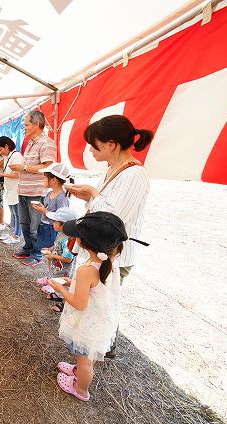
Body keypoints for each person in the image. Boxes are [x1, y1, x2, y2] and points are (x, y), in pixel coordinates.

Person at [64, 114, 153, 357]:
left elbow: (113, 218)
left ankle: (102, 347)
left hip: (114, 254)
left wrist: (92, 193)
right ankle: (95, 346)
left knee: (103, 304)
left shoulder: (134, 175)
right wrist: (90, 196)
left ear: (112, 144)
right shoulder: (117, 168)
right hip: (103, 251)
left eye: (95, 145)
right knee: (97, 301)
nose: (91, 151)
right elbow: (106, 207)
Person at [48, 211, 128, 402]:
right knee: (87, 355)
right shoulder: (110, 261)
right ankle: (80, 369)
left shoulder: (87, 269)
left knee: (84, 359)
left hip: (86, 322)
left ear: (85, 243)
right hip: (100, 320)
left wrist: (60, 288)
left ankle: (81, 388)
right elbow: (95, 287)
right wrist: (72, 282)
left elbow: (78, 303)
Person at [11, 110, 57, 263]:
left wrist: (23, 168)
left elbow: (48, 167)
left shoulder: (46, 142)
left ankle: (37, 255)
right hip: (24, 190)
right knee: (25, 223)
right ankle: (28, 249)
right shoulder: (30, 142)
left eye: (26, 124)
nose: (24, 127)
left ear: (37, 124)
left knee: (35, 226)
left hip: (37, 191)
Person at [27, 163, 73, 266]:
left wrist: (44, 211)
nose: (43, 180)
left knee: (54, 251)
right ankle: (49, 274)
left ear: (53, 180)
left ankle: (53, 274)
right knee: (47, 250)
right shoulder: (49, 194)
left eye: (44, 177)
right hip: (45, 226)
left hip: (54, 228)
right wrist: (41, 208)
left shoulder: (62, 197)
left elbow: (62, 216)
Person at [0, 136, 23, 244]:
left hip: (16, 189)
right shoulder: (7, 156)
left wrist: (1, 174)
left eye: (0, 150)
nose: (0, 153)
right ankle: (12, 233)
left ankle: (16, 236)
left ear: (6, 146)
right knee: (13, 213)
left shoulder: (16, 155)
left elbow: (16, 174)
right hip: (10, 189)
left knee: (17, 214)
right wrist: (3, 175)